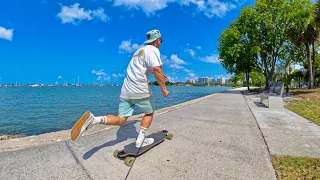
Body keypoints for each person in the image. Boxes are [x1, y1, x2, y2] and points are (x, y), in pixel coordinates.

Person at [70, 29, 170, 148]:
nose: (160, 43)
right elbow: (157, 69)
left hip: (126, 90)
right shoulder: (153, 50)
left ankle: (94, 120)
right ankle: (141, 140)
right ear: (158, 40)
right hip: (140, 90)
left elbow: (143, 69)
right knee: (149, 113)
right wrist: (164, 89)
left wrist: (157, 74)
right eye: (161, 40)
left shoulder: (138, 52)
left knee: (121, 120)